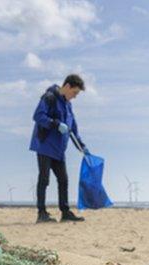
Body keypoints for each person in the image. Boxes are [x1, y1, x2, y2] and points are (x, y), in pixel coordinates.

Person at [29, 74, 88, 223]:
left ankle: (65, 212)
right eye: (74, 92)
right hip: (45, 146)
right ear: (67, 86)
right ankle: (41, 213)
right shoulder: (49, 97)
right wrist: (55, 124)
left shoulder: (68, 105)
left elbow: (73, 129)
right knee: (44, 179)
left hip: (59, 149)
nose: (75, 96)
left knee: (63, 180)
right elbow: (38, 116)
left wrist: (81, 146)